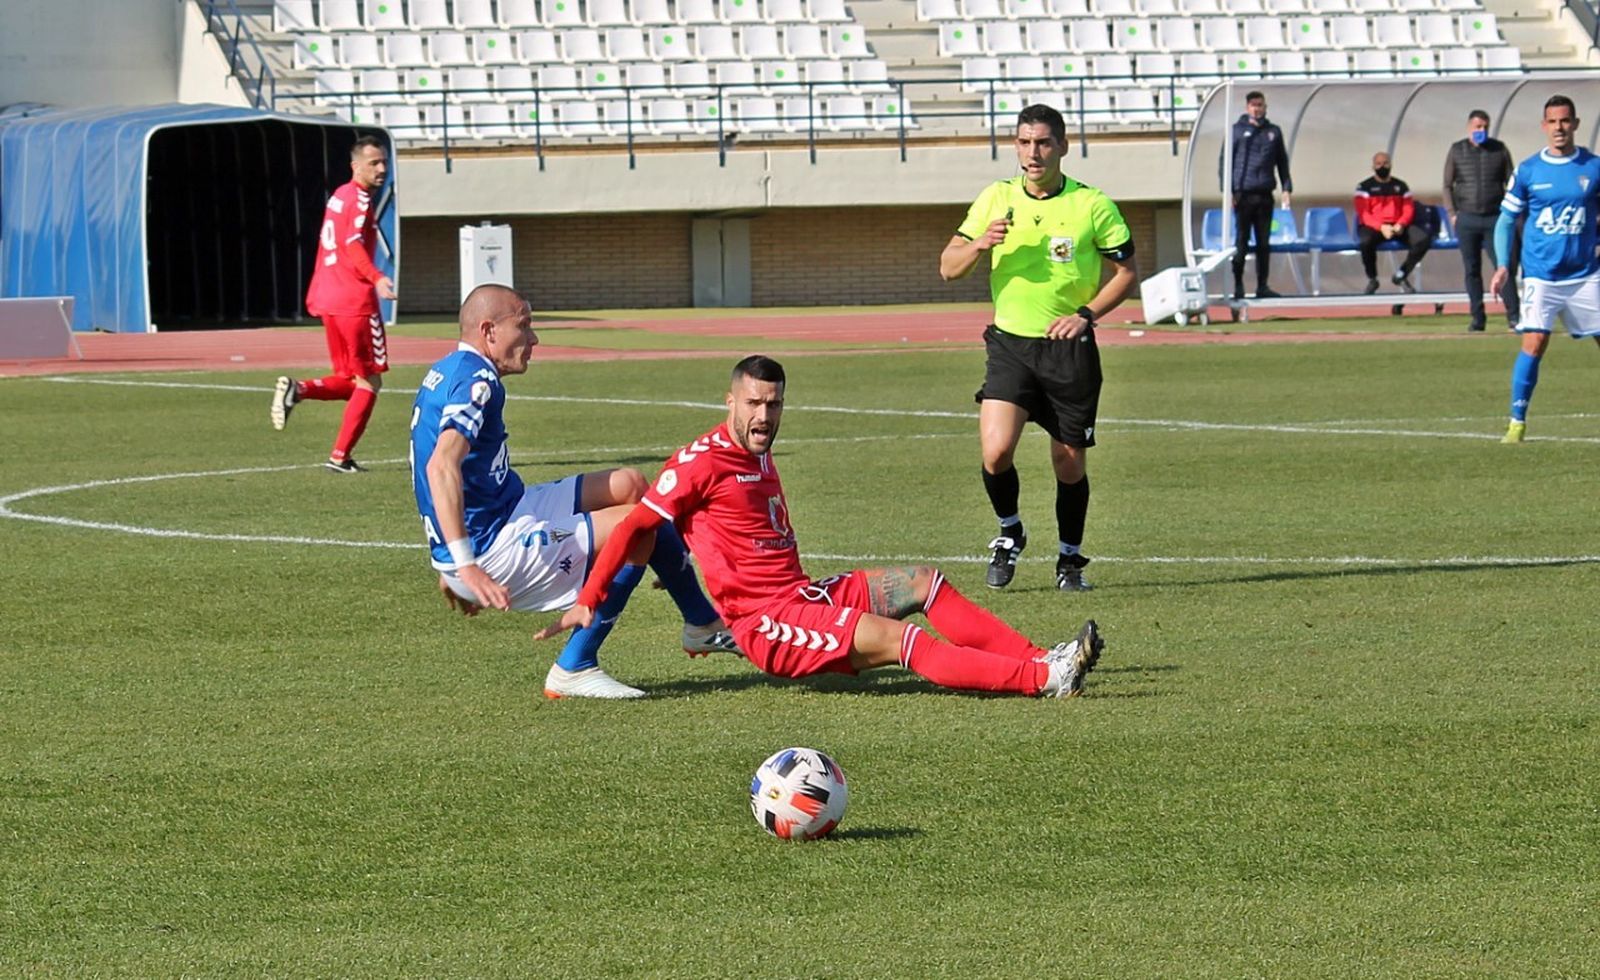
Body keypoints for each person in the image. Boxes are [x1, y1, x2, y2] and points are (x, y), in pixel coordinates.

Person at [537, 355, 1106, 700]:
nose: (764, 417)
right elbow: (639, 523)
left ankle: (1039, 658)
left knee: (924, 582)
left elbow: (698, 526)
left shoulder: (757, 450)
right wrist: (589, 598)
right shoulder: (701, 460)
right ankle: (1044, 682)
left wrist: (691, 556)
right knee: (900, 642)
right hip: (769, 623)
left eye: (775, 404)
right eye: (754, 404)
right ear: (730, 401)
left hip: (801, 594)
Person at [411, 284, 739, 699]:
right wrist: (464, 565)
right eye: (524, 326)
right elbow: (440, 466)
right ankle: (575, 666)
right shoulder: (477, 382)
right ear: (489, 330)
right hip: (492, 546)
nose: (534, 339)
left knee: (631, 484)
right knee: (636, 528)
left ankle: (700, 623)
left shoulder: (448, 368)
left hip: (505, 511)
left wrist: (448, 559)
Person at [937, 103, 1137, 593]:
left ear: (1063, 147)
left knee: (1068, 461)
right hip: (1010, 346)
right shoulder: (995, 199)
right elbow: (948, 266)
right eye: (1025, 142)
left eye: (1044, 142)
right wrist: (981, 242)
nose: (1033, 152)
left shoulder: (1092, 205)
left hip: (1068, 352)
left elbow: (1128, 274)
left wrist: (1086, 315)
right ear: (1016, 146)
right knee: (996, 449)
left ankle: (1070, 560)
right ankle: (1010, 532)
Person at [271, 135, 398, 474]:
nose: (382, 168)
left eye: (384, 162)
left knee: (350, 378)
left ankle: (298, 390)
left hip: (329, 297)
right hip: (354, 301)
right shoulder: (358, 199)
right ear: (355, 166)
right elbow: (353, 243)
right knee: (370, 381)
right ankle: (340, 457)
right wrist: (376, 277)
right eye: (374, 163)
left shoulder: (339, 196)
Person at [1490, 95, 1600, 444]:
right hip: (1542, 274)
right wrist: (1503, 264)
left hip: (1585, 273)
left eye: (1565, 121)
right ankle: (1517, 421)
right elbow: (1506, 220)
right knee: (1535, 341)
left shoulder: (1594, 167)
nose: (1559, 128)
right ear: (1543, 126)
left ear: (1576, 124)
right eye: (1552, 122)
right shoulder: (1528, 170)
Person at [1443, 110, 1519, 331]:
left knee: (1503, 267)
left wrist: (1509, 214)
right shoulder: (1457, 150)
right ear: (1469, 127)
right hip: (1467, 218)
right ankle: (1478, 318)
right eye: (1477, 127)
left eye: (1485, 127)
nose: (1481, 131)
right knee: (1471, 269)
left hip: (1495, 218)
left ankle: (1514, 316)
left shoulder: (1499, 149)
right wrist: (1452, 213)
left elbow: (1511, 183)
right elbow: (1447, 184)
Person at [1224, 91, 1293, 301]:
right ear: (1247, 107)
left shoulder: (1273, 131)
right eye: (1253, 105)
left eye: (1260, 105)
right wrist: (1227, 191)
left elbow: (1282, 162)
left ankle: (1263, 285)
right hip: (1243, 195)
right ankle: (1238, 284)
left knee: (1264, 244)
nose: (1257, 109)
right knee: (1241, 242)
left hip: (1264, 194)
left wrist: (1286, 188)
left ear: (1265, 107)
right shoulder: (1236, 131)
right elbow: (1225, 162)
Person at [1354, 151, 1432, 295]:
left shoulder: (1401, 186)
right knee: (1365, 242)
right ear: (1373, 167)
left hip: (1397, 227)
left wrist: (1401, 224)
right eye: (1378, 164)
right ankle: (1372, 278)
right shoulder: (1364, 187)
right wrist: (1381, 227)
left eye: (1385, 163)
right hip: (1375, 227)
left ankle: (1401, 274)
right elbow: (1364, 214)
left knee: (1422, 239)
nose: (1382, 167)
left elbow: (1408, 208)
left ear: (1391, 165)